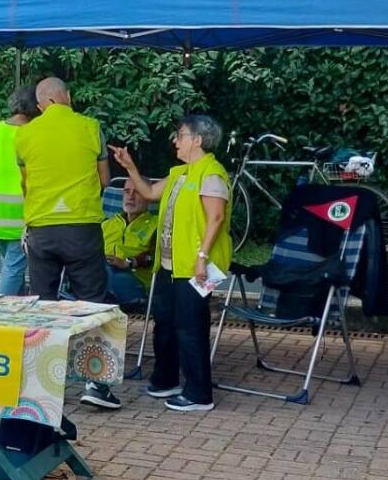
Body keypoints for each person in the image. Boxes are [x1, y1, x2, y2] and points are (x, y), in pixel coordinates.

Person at [111, 114, 232, 412]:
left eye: (180, 135)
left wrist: (201, 258)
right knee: (165, 323)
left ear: (197, 140)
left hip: (196, 267)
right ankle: (166, 379)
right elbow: (150, 193)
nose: (175, 141)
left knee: (191, 327)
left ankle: (199, 393)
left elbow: (215, 218)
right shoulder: (180, 173)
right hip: (168, 265)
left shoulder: (211, 173)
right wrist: (129, 167)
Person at [16, 77, 111, 301]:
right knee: (91, 301)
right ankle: (89, 337)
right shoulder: (91, 127)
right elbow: (105, 179)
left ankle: (47, 337)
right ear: (68, 97)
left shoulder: (24, 135)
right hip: (82, 227)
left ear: (40, 106)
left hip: (41, 229)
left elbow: (25, 184)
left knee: (42, 302)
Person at [0, 85, 39, 295]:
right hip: (21, 214)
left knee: (10, 265)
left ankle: (15, 310)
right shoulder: (30, 135)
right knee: (14, 268)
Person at [102, 178, 156, 311]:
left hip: (134, 279)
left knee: (113, 276)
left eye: (137, 192)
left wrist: (128, 262)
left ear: (149, 197)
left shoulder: (157, 225)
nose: (130, 197)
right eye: (127, 191)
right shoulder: (107, 224)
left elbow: (155, 256)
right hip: (103, 272)